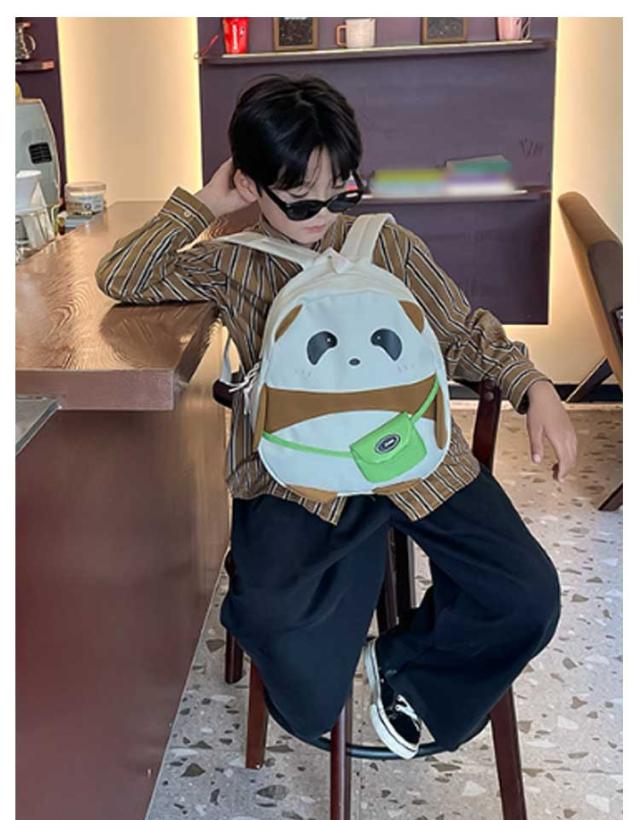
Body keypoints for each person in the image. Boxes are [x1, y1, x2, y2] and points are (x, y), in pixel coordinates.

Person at [95, 74, 577, 759]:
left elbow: (461, 333)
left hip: (411, 455)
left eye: (340, 192)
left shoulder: (386, 244)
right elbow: (123, 274)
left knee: (527, 594)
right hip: (300, 472)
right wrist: (207, 201)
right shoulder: (233, 262)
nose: (322, 213)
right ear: (251, 185)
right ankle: (322, 684)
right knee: (283, 638)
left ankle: (406, 669)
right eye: (300, 199)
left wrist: (535, 387)